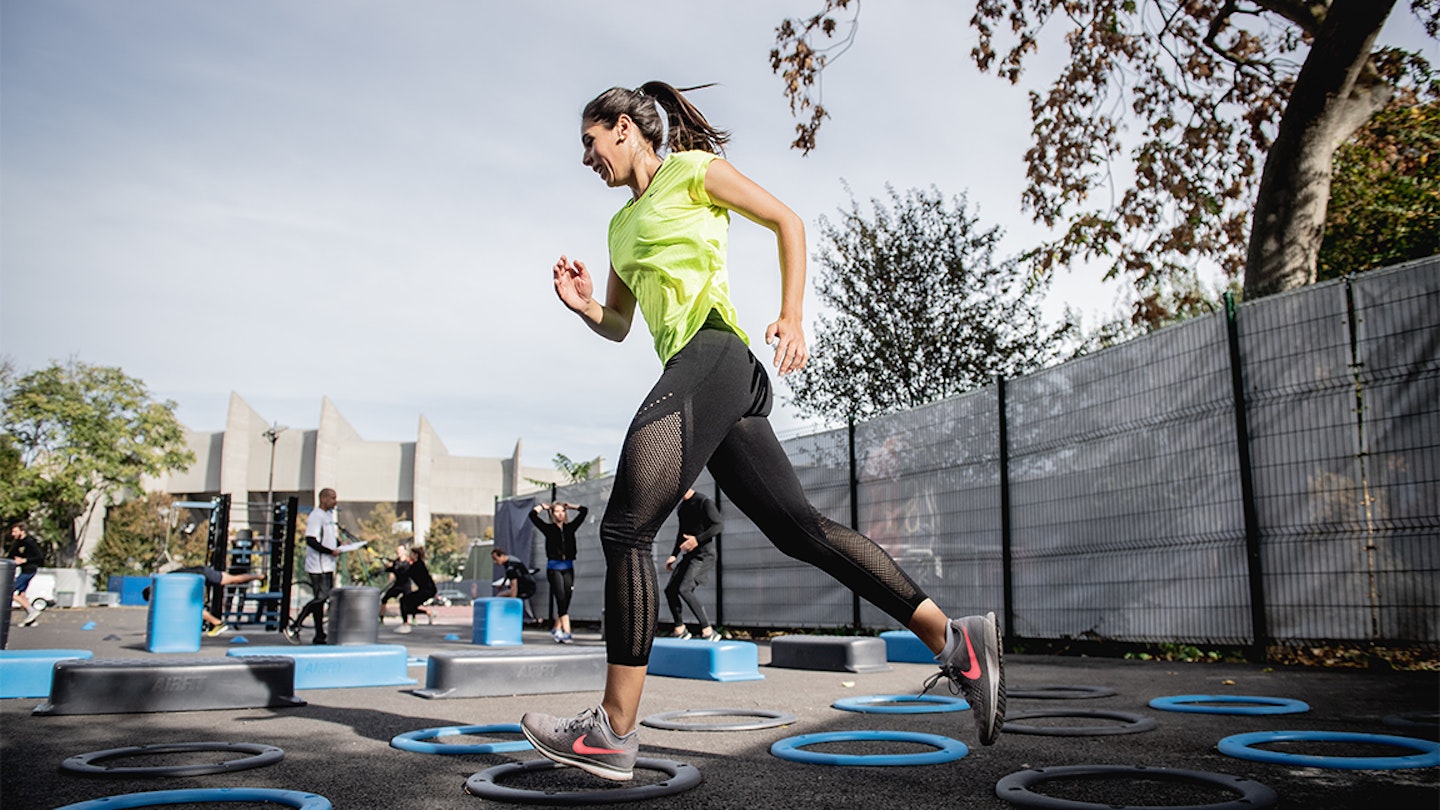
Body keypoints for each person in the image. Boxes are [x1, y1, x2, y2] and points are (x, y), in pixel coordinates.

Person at [519, 82, 1005, 782]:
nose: (587, 158)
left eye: (591, 143)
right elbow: (623, 324)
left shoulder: (691, 171)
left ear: (625, 128)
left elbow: (787, 221)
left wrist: (792, 313)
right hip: (707, 379)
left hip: (715, 354)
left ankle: (612, 731)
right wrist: (585, 304)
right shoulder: (619, 229)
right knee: (799, 530)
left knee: (625, 529)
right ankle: (956, 641)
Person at [663, 489, 723, 641]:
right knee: (670, 590)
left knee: (685, 589)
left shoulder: (704, 502)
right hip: (689, 555)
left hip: (704, 555)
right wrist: (673, 555)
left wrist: (697, 539)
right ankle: (680, 629)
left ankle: (708, 631)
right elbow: (681, 533)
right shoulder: (682, 508)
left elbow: (718, 526)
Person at [285, 488, 341, 645]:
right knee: (321, 597)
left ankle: (319, 635)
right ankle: (295, 626)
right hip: (318, 565)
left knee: (321, 600)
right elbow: (311, 540)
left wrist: (340, 546)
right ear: (323, 499)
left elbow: (329, 538)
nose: (335, 501)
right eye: (332, 498)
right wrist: (329, 551)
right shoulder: (316, 516)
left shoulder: (328, 516)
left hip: (328, 565)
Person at [146, 565, 265, 636]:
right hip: (202, 573)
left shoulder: (165, 585)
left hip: (201, 576)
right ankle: (260, 577)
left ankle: (218, 623)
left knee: (192, 607)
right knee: (233, 579)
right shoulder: (164, 580)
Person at [530, 501, 588, 643]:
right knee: (561, 598)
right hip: (554, 568)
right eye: (556, 511)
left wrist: (572, 506)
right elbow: (532, 516)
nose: (560, 514)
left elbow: (584, 511)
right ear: (552, 514)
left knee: (567, 597)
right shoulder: (548, 529)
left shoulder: (570, 528)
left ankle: (556, 627)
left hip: (568, 567)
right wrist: (542, 507)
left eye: (562, 511)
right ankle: (567, 632)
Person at [7, 522, 46, 627]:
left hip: (29, 570)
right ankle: (31, 619)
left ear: (22, 531)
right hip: (23, 570)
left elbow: (39, 557)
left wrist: (24, 560)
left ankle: (31, 611)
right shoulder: (17, 543)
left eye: (15, 531)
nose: (13, 534)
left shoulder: (29, 542)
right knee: (21, 595)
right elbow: (10, 557)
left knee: (9, 591)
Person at [393, 544, 436, 634]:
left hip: (427, 590)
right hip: (428, 590)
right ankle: (429, 613)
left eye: (411, 554)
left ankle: (405, 625)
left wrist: (392, 568)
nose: (410, 555)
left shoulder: (417, 566)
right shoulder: (418, 564)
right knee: (409, 607)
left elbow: (405, 573)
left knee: (403, 601)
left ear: (416, 555)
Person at [379, 542, 412, 623]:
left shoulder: (409, 562)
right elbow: (391, 570)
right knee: (384, 599)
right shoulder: (395, 562)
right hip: (397, 585)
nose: (398, 552)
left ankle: (411, 619)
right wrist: (387, 567)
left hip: (406, 585)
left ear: (404, 551)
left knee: (408, 603)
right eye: (398, 550)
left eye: (400, 550)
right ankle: (381, 619)